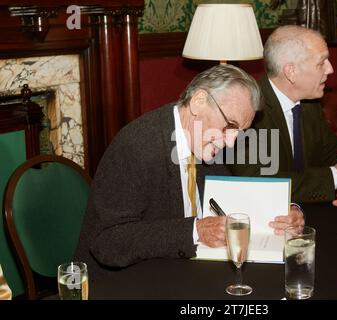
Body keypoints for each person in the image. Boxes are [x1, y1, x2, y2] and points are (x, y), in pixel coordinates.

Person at [75, 64, 304, 281]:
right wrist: (194, 231)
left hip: (178, 271)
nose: (232, 141)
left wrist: (285, 211)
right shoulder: (138, 146)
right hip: (122, 283)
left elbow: (236, 194)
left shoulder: (205, 140)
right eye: (230, 126)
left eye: (240, 132)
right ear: (198, 102)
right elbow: (106, 241)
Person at [229, 26, 337, 212]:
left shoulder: (309, 102)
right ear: (291, 71)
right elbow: (260, 183)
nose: (330, 69)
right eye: (321, 63)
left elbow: (331, 150)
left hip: (308, 215)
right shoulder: (249, 109)